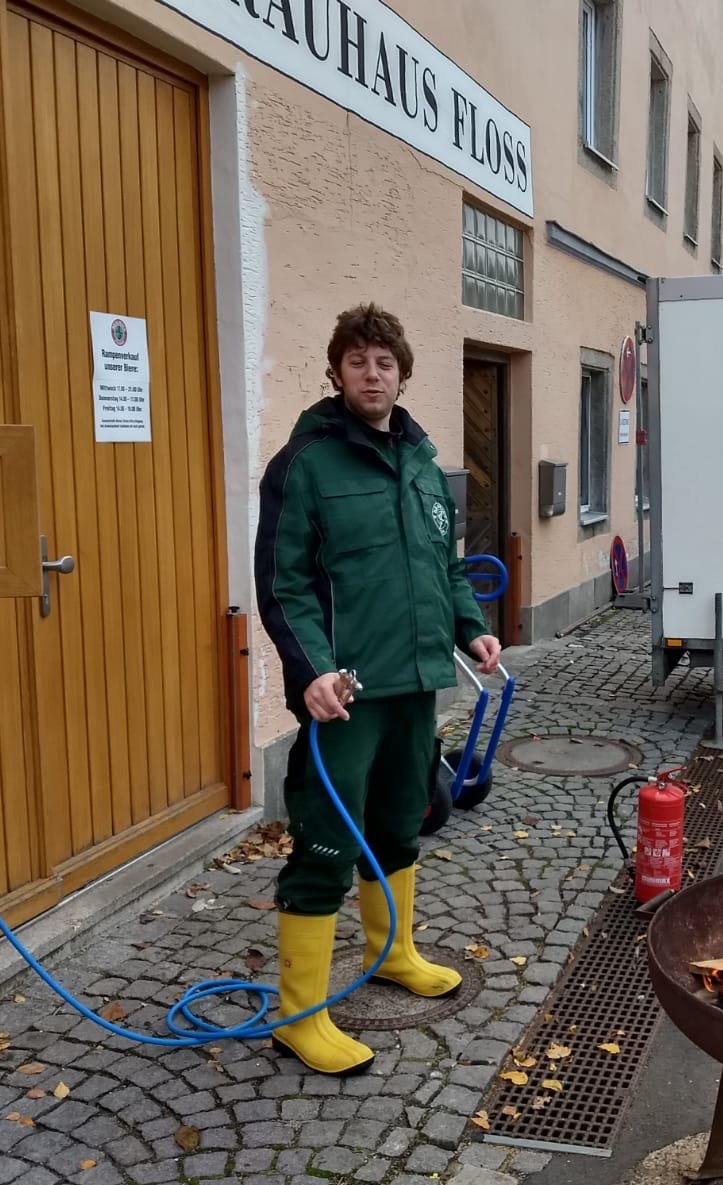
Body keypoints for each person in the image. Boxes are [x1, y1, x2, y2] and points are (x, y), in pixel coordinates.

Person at [254, 303, 501, 1076]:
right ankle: (301, 1017)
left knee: (401, 822)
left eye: (384, 361)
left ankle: (392, 952)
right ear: (336, 372)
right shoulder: (305, 464)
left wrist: (471, 629)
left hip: (416, 684)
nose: (372, 373)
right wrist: (310, 670)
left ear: (402, 373)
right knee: (327, 839)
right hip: (346, 694)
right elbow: (283, 583)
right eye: (357, 360)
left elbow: (446, 567)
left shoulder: (424, 464)